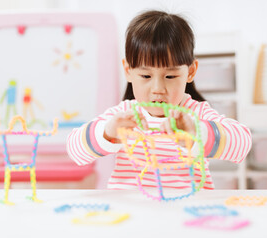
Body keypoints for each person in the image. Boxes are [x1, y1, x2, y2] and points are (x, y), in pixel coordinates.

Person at [67, 10, 252, 190]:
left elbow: (243, 145)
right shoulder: (123, 115)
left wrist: (198, 132)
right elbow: (75, 151)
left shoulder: (196, 114)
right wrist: (107, 132)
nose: (157, 89)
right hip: (132, 212)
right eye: (146, 76)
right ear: (128, 71)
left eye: (170, 76)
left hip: (185, 211)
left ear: (191, 71)